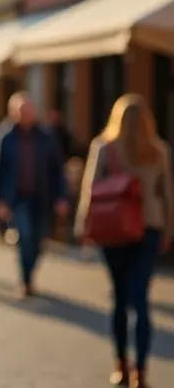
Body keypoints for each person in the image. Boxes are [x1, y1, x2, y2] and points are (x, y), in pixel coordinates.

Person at [75, 94, 173, 388]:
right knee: (141, 300)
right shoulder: (158, 150)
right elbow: (167, 194)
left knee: (119, 298)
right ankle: (141, 370)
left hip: (114, 228)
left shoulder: (104, 147)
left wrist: (83, 225)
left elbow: (90, 189)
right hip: (149, 228)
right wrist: (168, 230)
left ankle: (120, 365)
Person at [0, 92, 68, 298]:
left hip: (42, 197)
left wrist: (61, 197)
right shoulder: (4, 137)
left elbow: (57, 169)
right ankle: (25, 280)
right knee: (25, 236)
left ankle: (30, 273)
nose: (27, 114)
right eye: (22, 110)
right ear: (13, 112)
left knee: (39, 240)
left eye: (30, 110)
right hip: (17, 199)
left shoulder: (46, 136)